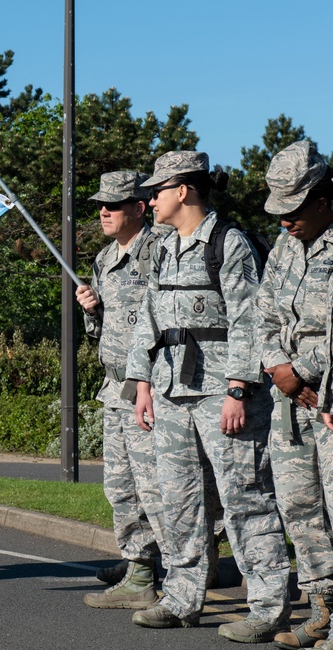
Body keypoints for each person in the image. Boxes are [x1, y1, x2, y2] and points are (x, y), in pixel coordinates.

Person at [125, 151, 290, 643]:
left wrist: (239, 387)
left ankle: (267, 606)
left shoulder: (229, 243)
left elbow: (248, 321)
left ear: (184, 190)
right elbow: (148, 317)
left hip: (223, 393)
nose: (149, 199)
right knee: (178, 501)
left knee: (246, 499)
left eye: (158, 189)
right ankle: (181, 597)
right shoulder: (162, 246)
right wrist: (142, 383)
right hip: (173, 391)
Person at [75, 171, 168, 610]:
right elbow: (103, 332)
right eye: (101, 204)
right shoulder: (105, 257)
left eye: (113, 204)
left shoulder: (158, 251)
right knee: (120, 485)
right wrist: (92, 311)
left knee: (155, 485)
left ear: (139, 207)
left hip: (148, 386)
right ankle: (139, 563)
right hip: (113, 387)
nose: (103, 211)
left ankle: (165, 567)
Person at [256, 141, 333, 649]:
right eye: (278, 212)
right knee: (299, 509)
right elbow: (262, 312)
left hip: (326, 399)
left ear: (324, 196)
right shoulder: (286, 245)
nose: (284, 222)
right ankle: (323, 608)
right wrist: (277, 367)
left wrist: (300, 370)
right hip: (290, 403)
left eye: (294, 210)